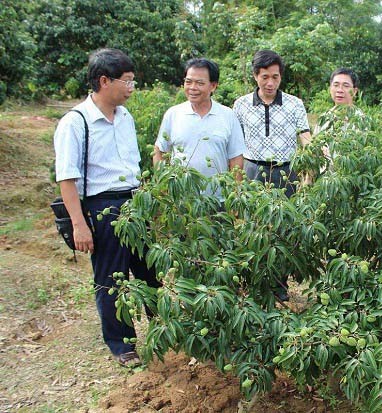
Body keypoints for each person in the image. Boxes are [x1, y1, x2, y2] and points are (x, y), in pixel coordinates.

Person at [54, 48, 159, 367]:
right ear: (104, 81)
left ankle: (162, 328)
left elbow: (132, 163)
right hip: (103, 206)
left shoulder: (125, 117)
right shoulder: (76, 122)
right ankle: (121, 343)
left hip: (134, 201)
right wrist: (79, 224)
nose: (131, 88)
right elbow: (67, 178)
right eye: (127, 81)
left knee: (148, 271)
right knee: (112, 279)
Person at [153, 58, 245, 201]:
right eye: (188, 82)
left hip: (218, 201)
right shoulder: (173, 114)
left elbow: (236, 159)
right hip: (181, 202)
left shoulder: (227, 116)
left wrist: (235, 197)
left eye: (200, 83)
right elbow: (159, 151)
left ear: (213, 86)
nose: (192, 88)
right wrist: (163, 188)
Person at [233, 50, 311, 198]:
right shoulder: (241, 104)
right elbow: (235, 145)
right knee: (253, 217)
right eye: (265, 77)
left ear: (280, 76)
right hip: (252, 171)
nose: (270, 83)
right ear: (255, 76)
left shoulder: (295, 104)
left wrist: (311, 168)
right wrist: (237, 182)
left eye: (275, 77)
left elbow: (306, 138)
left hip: (286, 173)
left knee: (288, 216)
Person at [314, 68, 368, 135]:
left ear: (354, 91)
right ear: (330, 88)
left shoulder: (362, 119)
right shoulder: (324, 118)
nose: (340, 90)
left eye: (345, 86)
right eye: (336, 85)